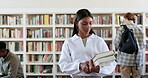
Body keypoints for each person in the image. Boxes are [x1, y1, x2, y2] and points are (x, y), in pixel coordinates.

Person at [59, 9, 117, 78]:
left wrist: (99, 69)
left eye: (90, 23)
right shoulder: (69, 42)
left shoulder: (99, 41)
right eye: (84, 24)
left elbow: (111, 63)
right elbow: (63, 65)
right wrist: (80, 66)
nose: (88, 26)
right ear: (76, 23)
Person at [114, 12, 146, 78]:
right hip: (137, 59)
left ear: (125, 18)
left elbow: (116, 43)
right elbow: (143, 45)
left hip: (125, 59)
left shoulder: (122, 29)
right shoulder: (140, 29)